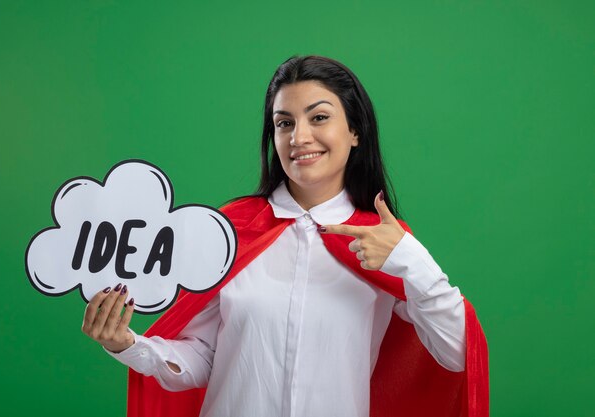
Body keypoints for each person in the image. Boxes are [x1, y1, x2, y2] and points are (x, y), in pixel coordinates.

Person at [81, 55, 488, 417]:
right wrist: (129, 344)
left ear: (355, 132)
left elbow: (457, 354)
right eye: (284, 123)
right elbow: (204, 357)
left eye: (319, 117)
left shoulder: (383, 243)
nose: (299, 137)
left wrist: (408, 257)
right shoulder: (231, 231)